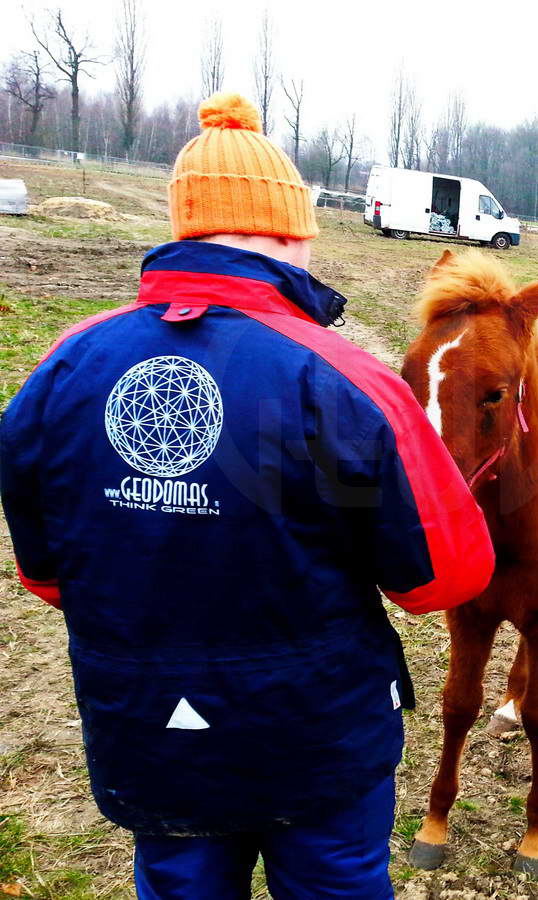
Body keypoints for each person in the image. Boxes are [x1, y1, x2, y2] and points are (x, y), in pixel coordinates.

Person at [0, 93, 495, 899]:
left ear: (184, 229)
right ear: (293, 227)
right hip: (317, 742)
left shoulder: (63, 369)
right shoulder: (343, 383)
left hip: (147, 731)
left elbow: (46, 575)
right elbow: (442, 579)